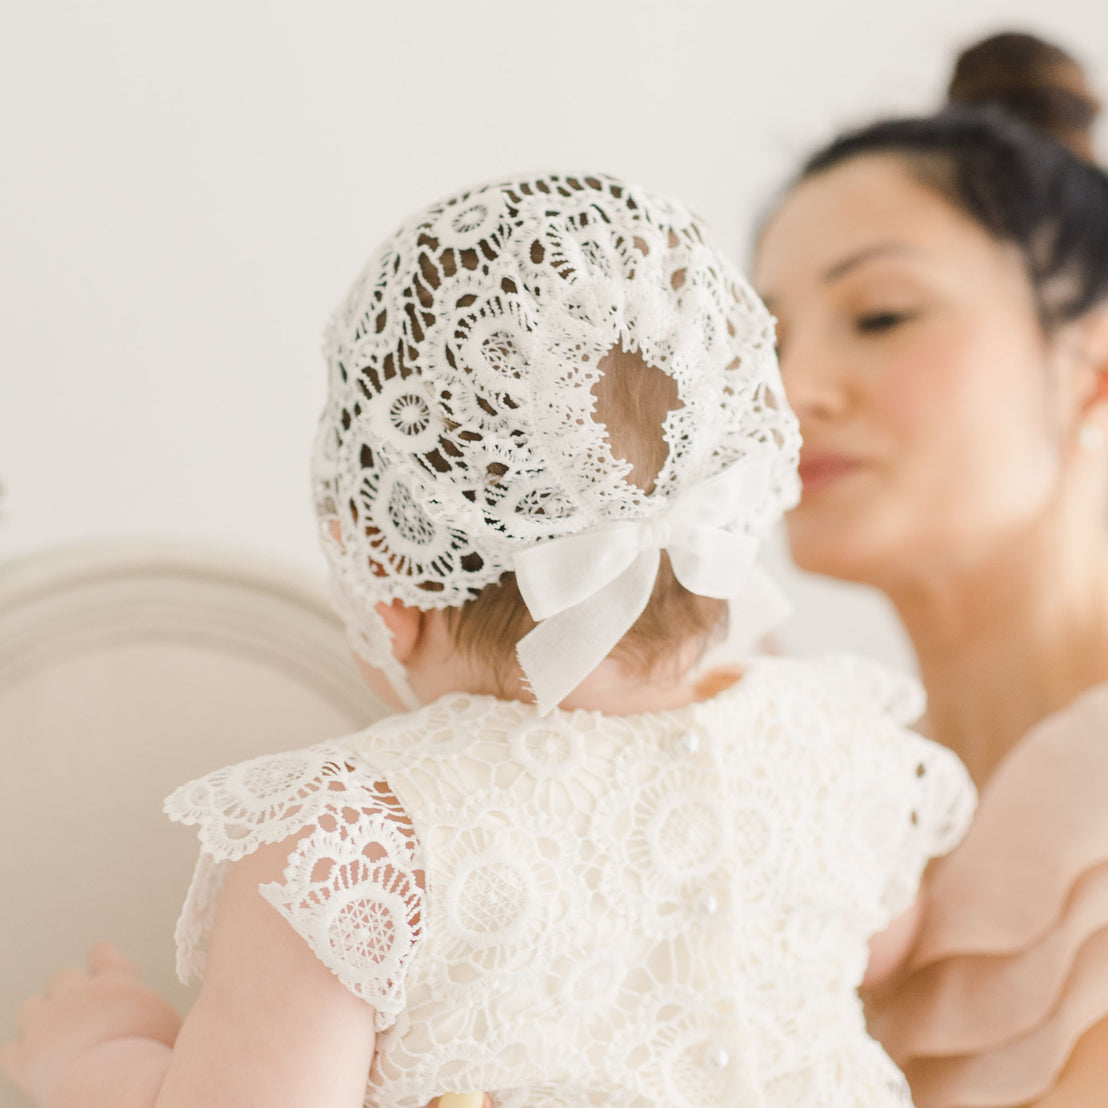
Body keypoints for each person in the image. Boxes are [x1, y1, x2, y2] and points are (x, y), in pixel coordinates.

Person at [1, 171, 974, 1108]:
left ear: (389, 578)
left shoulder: (356, 844)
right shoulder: (836, 740)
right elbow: (881, 944)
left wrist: (96, 1058)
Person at [752, 30, 1108, 1108]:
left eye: (881, 314)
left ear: (1092, 369)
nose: (791, 386)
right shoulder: (781, 798)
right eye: (761, 340)